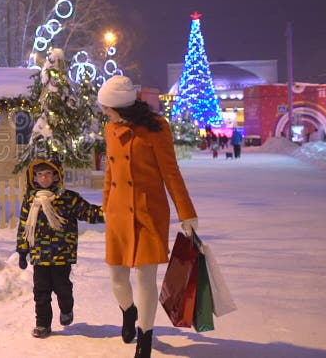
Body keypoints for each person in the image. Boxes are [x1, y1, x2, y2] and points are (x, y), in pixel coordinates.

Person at [97, 75, 199, 358]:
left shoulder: (156, 129)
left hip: (148, 212)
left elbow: (171, 173)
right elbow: (110, 172)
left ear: (118, 106)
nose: (103, 111)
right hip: (118, 212)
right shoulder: (110, 129)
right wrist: (106, 205)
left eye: (106, 106)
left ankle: (145, 335)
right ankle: (128, 312)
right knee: (117, 278)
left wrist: (186, 212)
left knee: (145, 277)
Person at [15, 158, 104, 339]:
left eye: (48, 174)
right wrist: (22, 251)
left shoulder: (68, 198)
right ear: (35, 177)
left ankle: (66, 309)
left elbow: (88, 212)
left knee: (62, 287)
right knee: (41, 291)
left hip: (62, 254)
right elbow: (25, 226)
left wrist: (109, 211)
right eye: (40, 175)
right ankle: (42, 324)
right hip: (39, 255)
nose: (44, 178)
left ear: (56, 176)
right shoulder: (31, 201)